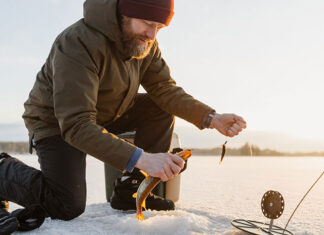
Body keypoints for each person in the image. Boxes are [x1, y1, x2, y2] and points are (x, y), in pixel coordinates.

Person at [0, 0, 246, 233]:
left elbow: (164, 89)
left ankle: (130, 190)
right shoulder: (77, 43)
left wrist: (211, 117)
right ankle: (2, 170)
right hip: (57, 121)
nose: (152, 35)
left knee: (159, 106)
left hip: (106, 111)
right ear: (125, 11)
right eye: (148, 24)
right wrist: (143, 159)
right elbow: (76, 124)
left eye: (159, 27)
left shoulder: (145, 43)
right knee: (65, 205)